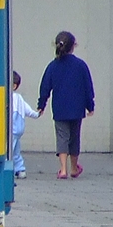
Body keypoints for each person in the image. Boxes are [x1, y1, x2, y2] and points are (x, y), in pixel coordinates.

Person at [37, 31, 95, 179]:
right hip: (77, 109)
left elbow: (45, 87)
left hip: (60, 108)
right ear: (73, 46)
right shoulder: (81, 65)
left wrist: (41, 105)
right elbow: (88, 88)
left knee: (62, 137)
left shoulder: (53, 66)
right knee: (75, 138)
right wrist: (90, 106)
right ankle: (74, 168)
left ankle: (63, 169)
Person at [11, 70, 40, 179]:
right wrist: (37, 114)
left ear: (13, 86)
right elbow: (29, 111)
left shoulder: (8, 97)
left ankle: (8, 169)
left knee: (9, 150)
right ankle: (20, 169)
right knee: (16, 150)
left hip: (11, 128)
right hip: (19, 128)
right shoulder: (20, 98)